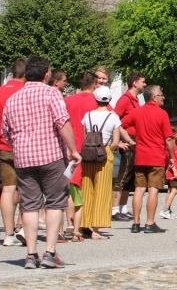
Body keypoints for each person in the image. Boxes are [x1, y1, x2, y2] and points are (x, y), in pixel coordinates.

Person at [2, 56, 81, 269]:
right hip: (50, 156)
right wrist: (73, 150)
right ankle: (50, 252)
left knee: (29, 205)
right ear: (46, 74)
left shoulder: (13, 99)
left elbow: (6, 133)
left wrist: (20, 147)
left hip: (23, 159)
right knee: (55, 202)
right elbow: (62, 122)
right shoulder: (51, 93)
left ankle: (30, 254)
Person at [122, 85, 174, 234]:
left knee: (139, 189)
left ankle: (135, 222)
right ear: (153, 97)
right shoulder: (162, 114)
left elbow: (120, 125)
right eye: (161, 95)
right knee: (153, 190)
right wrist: (172, 156)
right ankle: (150, 223)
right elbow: (168, 138)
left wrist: (129, 140)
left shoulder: (137, 112)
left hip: (140, 156)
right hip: (156, 157)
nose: (163, 97)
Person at [80, 86, 121, 240]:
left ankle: (84, 224)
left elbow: (85, 135)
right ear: (109, 99)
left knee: (87, 188)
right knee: (102, 190)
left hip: (88, 153)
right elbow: (115, 142)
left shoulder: (87, 115)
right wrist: (108, 148)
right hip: (104, 152)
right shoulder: (113, 117)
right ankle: (96, 228)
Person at [63, 72, 99, 241]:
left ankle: (70, 224)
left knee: (71, 187)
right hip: (92, 150)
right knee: (89, 188)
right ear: (94, 84)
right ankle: (84, 224)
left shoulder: (68, 100)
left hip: (70, 148)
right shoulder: (97, 101)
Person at [112, 71, 146, 221]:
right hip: (128, 140)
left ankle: (122, 207)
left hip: (135, 140)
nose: (144, 84)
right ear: (135, 83)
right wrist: (120, 140)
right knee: (123, 174)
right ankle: (114, 209)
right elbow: (115, 120)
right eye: (142, 82)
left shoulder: (136, 100)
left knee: (131, 176)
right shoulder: (125, 100)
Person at [0, 59, 26, 247]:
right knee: (29, 188)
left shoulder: (1, 91)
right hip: (22, 146)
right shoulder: (24, 93)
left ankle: (9, 234)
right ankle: (22, 227)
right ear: (25, 74)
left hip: (3, 146)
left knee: (8, 189)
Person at [160, 124, 177, 219]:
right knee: (174, 190)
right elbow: (170, 159)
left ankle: (168, 210)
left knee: (170, 190)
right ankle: (165, 209)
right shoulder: (170, 146)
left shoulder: (175, 145)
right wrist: (174, 171)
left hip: (176, 169)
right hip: (174, 170)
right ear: (173, 134)